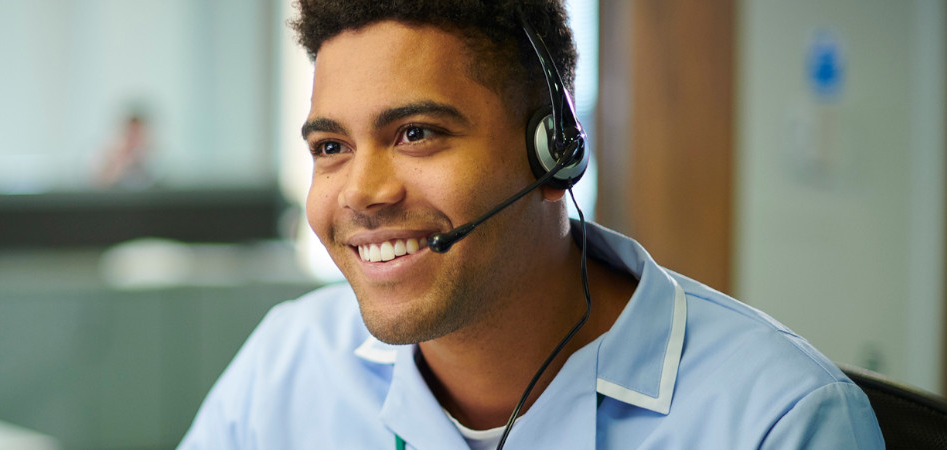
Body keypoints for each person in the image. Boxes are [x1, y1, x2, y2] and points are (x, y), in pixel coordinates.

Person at [181, 1, 884, 448]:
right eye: (331, 148)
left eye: (418, 133)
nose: (362, 193)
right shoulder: (288, 365)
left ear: (554, 151)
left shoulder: (779, 419)